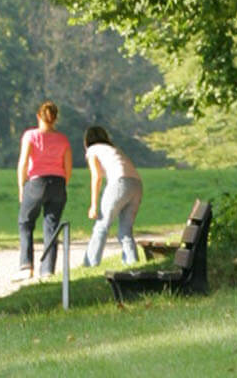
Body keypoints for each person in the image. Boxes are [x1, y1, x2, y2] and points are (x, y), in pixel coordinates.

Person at [16, 100, 71, 279]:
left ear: (38, 116)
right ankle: (47, 270)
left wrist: (21, 186)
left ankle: (26, 265)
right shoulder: (63, 139)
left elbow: (23, 162)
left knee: (25, 221)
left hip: (37, 182)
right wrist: (63, 184)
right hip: (58, 183)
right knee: (52, 227)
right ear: (55, 118)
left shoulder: (30, 135)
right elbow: (67, 167)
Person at [83, 124, 145, 267]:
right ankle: (132, 263)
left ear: (87, 140)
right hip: (137, 184)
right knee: (125, 229)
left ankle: (90, 264)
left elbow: (96, 176)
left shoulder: (93, 150)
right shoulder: (114, 150)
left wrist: (93, 205)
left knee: (102, 226)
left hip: (119, 183)